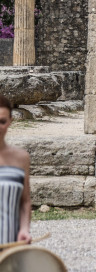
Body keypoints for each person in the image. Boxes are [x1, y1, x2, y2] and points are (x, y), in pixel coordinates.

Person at [0, 95, 31, 244]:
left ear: (10, 121)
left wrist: (24, 229)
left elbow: (24, 202)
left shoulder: (22, 158)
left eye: (2, 122)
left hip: (11, 245)